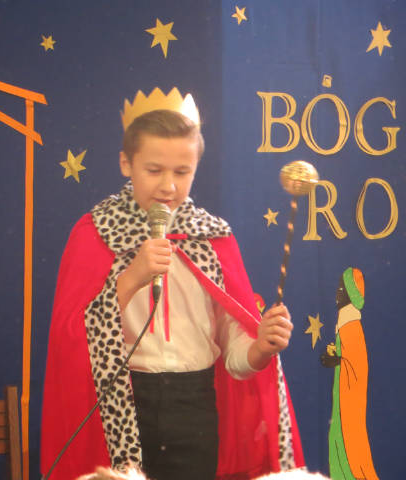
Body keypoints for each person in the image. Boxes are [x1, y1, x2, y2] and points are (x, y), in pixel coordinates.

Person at [41, 96, 304, 480]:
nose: (168, 186)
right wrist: (131, 278)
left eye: (182, 172)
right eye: (154, 170)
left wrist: (260, 348)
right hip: (122, 405)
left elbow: (233, 354)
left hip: (194, 408)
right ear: (126, 164)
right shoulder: (94, 233)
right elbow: (71, 339)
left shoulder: (212, 238)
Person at [320, 268, 378, 480]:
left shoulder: (351, 327)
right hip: (341, 403)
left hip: (349, 406)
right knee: (337, 440)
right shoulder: (344, 326)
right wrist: (334, 356)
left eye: (341, 290)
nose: (337, 294)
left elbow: (355, 365)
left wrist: (335, 360)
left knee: (350, 446)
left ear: (350, 293)